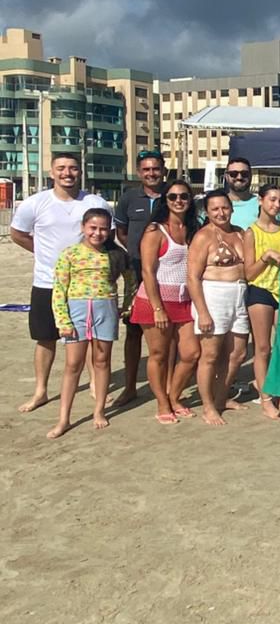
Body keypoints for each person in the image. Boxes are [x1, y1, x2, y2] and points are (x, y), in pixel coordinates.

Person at [10, 153, 112, 413]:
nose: (67, 173)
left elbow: (106, 237)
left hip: (86, 286)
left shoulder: (95, 202)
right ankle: (41, 390)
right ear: (51, 171)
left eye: (73, 168)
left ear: (80, 172)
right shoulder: (35, 203)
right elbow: (18, 234)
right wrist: (45, 255)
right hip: (47, 282)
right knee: (45, 338)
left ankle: (93, 386)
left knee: (91, 338)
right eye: (61, 168)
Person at [47, 209, 125, 438]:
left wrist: (126, 307)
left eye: (103, 229)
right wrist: (63, 320)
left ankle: (99, 410)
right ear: (83, 227)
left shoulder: (116, 255)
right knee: (73, 364)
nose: (97, 233)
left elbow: (130, 281)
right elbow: (59, 290)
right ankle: (64, 418)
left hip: (106, 309)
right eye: (93, 228)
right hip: (77, 311)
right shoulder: (69, 254)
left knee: (101, 360)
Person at [129, 180, 201, 424]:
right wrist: (158, 307)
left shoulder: (193, 228)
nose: (179, 201)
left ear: (191, 200)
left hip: (184, 300)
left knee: (191, 353)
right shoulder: (154, 231)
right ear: (165, 201)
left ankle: (174, 396)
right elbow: (148, 271)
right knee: (158, 355)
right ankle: (162, 402)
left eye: (184, 196)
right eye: (173, 197)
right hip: (155, 300)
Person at [186, 190, 249, 426]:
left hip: (239, 294)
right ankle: (208, 405)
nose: (221, 213)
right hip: (213, 295)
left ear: (231, 209)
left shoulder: (240, 233)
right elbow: (192, 277)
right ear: (207, 212)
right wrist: (202, 311)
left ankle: (222, 397)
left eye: (224, 208)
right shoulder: (203, 237)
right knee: (210, 355)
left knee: (237, 353)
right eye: (215, 209)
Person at [112, 149, 167, 406]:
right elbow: (121, 232)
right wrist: (139, 253)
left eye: (155, 168)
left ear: (163, 170)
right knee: (133, 330)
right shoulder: (128, 198)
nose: (151, 173)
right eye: (146, 169)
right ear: (139, 172)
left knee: (171, 329)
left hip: (168, 271)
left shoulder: (173, 195)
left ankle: (166, 387)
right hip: (135, 272)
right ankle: (131, 386)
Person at [243, 185, 280, 420]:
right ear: (261, 200)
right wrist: (265, 258)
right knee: (263, 347)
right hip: (261, 290)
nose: (276, 205)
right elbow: (249, 273)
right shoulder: (251, 232)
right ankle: (266, 398)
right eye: (272, 200)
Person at [221, 156, 261, 230]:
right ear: (226, 177)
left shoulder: (263, 204)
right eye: (233, 174)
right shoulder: (216, 206)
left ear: (251, 176)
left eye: (244, 173)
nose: (239, 177)